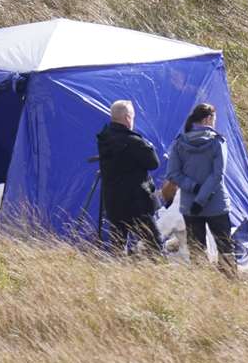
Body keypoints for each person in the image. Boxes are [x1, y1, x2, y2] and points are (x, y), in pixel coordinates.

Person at [166, 102, 237, 276]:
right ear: (208, 119)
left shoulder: (179, 143)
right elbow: (217, 175)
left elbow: (173, 174)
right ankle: (230, 284)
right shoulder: (217, 142)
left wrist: (194, 189)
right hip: (216, 204)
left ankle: (202, 283)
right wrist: (202, 198)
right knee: (225, 247)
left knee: (196, 248)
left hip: (190, 207)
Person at [95, 99, 161, 257]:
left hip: (113, 203)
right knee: (154, 243)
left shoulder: (104, 139)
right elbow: (154, 163)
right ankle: (158, 275)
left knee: (118, 245)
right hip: (136, 204)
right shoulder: (134, 142)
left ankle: (117, 277)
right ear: (127, 118)